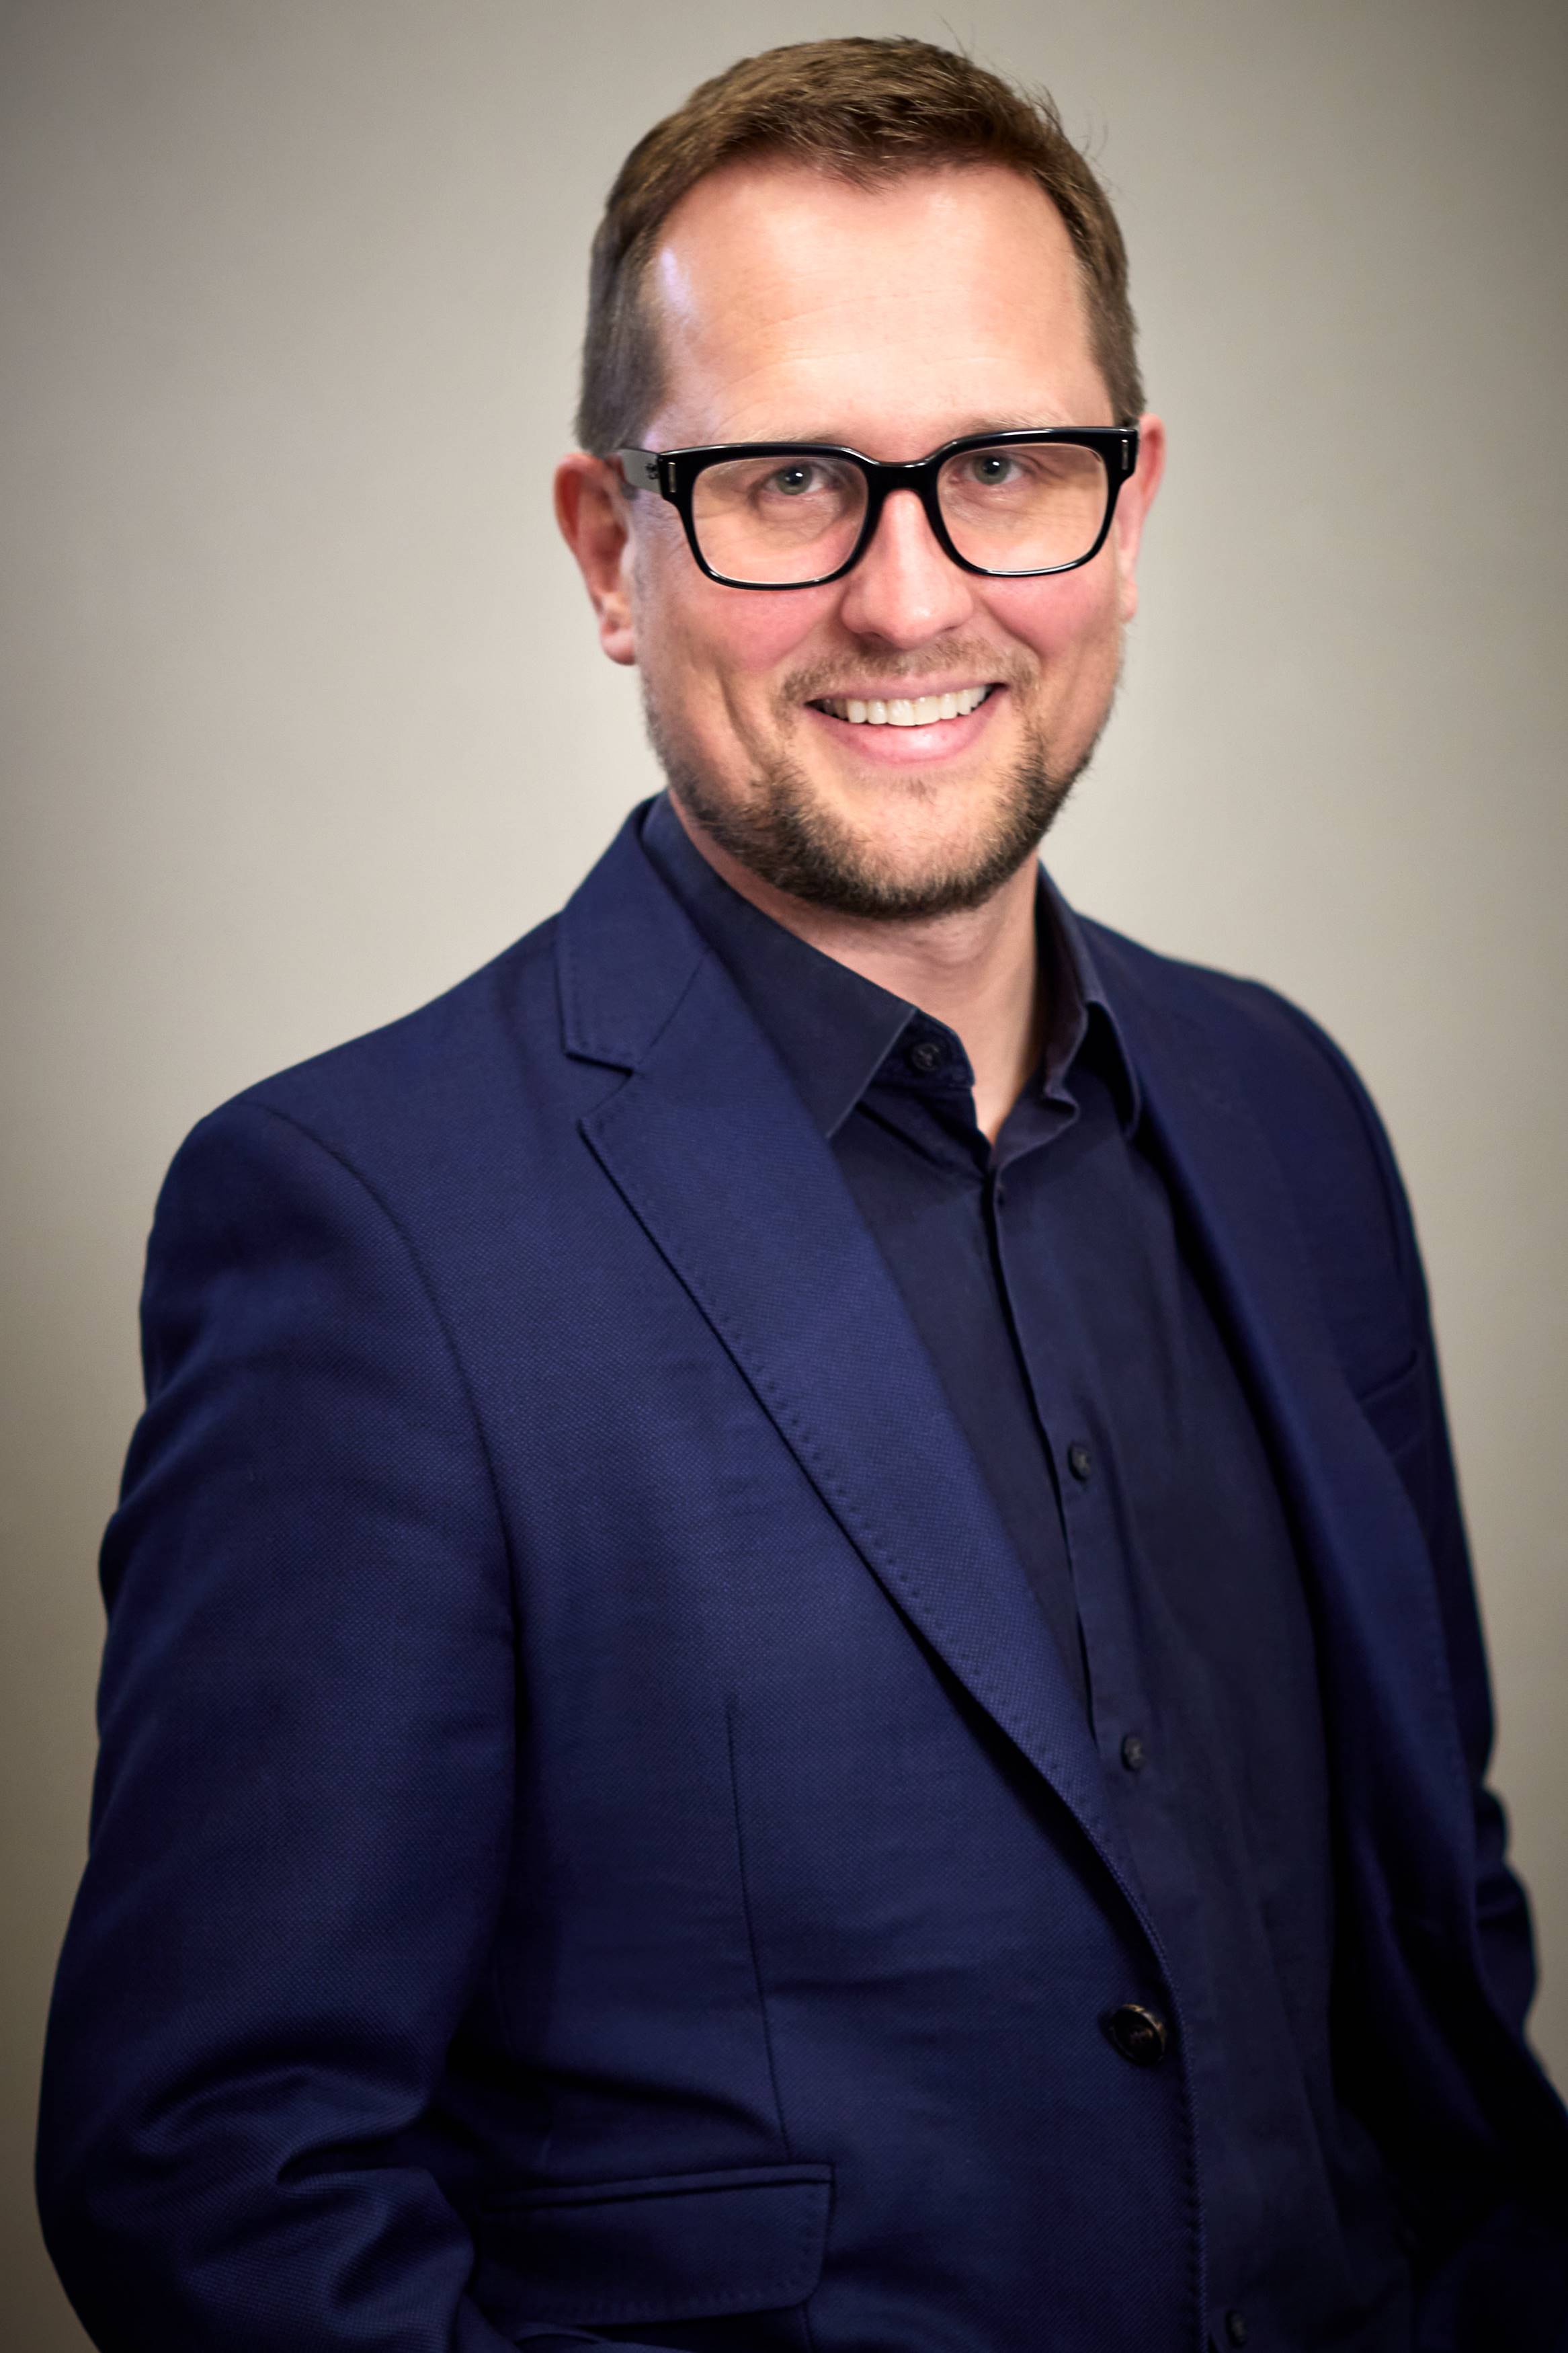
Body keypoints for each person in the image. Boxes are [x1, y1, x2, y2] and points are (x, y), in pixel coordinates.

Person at [36, 34, 1568, 2353]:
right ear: (611, 552)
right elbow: (220, 2181)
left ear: (1131, 509)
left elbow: (1435, 1950)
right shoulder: (363, 1231)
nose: (910, 595)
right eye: (784, 483)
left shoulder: (1292, 1115)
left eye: (1007, 467)